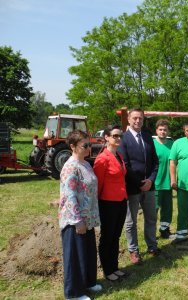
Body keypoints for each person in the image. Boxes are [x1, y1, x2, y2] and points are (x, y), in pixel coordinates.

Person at [59, 130, 102, 300]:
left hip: (88, 217)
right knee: (74, 257)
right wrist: (77, 221)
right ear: (73, 147)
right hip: (75, 220)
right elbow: (69, 196)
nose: (89, 148)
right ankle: (74, 293)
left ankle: (89, 282)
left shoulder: (85, 163)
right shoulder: (70, 167)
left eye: (89, 144)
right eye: (85, 145)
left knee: (88, 252)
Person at [118, 108, 160, 265]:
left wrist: (150, 180)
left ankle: (152, 245)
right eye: (135, 118)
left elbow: (155, 161)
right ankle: (133, 250)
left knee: (151, 218)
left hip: (149, 186)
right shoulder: (123, 138)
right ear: (128, 119)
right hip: (132, 187)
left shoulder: (148, 137)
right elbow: (125, 165)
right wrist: (139, 183)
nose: (138, 121)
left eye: (140, 118)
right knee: (131, 222)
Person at [93, 125, 127, 282]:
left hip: (121, 201)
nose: (118, 138)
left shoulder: (119, 155)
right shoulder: (102, 158)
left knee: (116, 236)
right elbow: (97, 185)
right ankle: (108, 270)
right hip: (108, 203)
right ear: (106, 137)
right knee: (107, 237)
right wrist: (97, 205)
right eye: (115, 136)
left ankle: (114, 267)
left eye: (120, 135)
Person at [153, 119, 174, 239]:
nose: (163, 132)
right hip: (155, 183)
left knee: (167, 209)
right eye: (160, 129)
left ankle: (164, 230)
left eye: (165, 130)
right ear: (156, 131)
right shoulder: (152, 144)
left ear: (168, 131)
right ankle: (151, 233)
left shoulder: (172, 144)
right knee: (153, 210)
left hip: (169, 182)